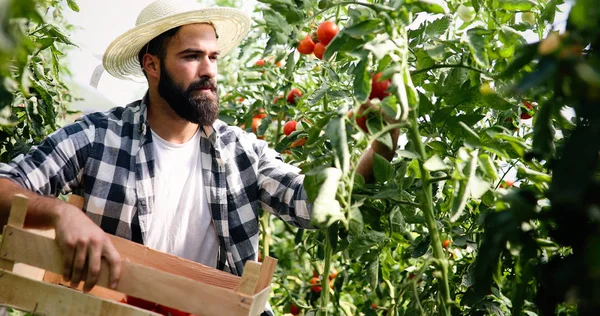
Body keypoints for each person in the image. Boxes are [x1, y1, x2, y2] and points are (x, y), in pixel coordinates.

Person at [0, 0, 399, 314]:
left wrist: (385, 137)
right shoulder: (98, 137)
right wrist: (59, 213)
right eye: (192, 56)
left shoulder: (241, 152)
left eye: (214, 57)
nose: (209, 71)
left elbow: (321, 205)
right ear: (152, 65)